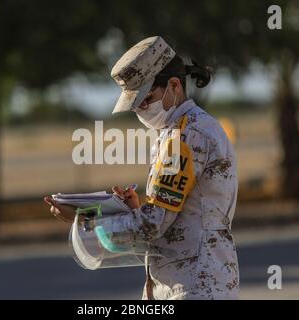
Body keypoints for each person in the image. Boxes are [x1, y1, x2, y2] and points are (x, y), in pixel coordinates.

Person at [44, 36, 239, 300]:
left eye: (145, 100)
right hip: (194, 281)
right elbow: (175, 216)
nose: (141, 110)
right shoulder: (182, 130)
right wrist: (134, 209)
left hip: (194, 286)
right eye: (135, 106)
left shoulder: (184, 136)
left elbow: (153, 224)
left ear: (174, 85)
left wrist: (86, 220)